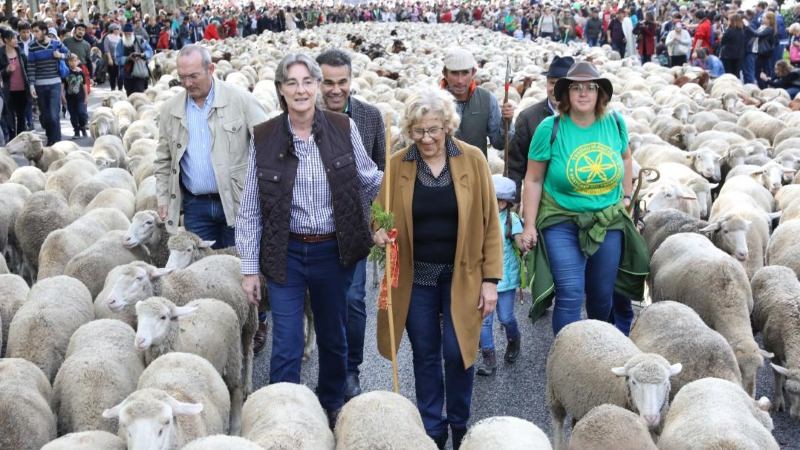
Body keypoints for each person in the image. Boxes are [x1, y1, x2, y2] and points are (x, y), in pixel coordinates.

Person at [235, 53, 382, 427]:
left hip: (333, 250)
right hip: (286, 251)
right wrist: (250, 269)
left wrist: (406, 186)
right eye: (291, 82)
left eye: (307, 82)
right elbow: (251, 207)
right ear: (281, 90)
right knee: (287, 340)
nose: (300, 90)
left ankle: (331, 403)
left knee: (334, 334)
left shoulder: (343, 127)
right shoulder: (265, 137)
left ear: (317, 86)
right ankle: (283, 412)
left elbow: (370, 179)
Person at [371, 85, 501, 450]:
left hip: (464, 274)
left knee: (458, 352)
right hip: (417, 276)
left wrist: (491, 280)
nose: (426, 138)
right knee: (425, 353)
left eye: (434, 130)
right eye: (418, 131)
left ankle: (460, 424)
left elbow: (490, 222)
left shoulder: (473, 160)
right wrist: (379, 231)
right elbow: (379, 216)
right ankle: (433, 428)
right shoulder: (398, 165)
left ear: (448, 126)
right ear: (409, 131)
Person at [518, 61, 648, 336]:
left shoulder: (614, 122)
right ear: (565, 93)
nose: (583, 93)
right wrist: (529, 225)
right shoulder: (549, 128)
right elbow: (533, 179)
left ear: (600, 93)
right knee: (570, 292)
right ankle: (566, 357)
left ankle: (597, 351)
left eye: (591, 87)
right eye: (576, 87)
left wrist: (626, 197)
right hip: (561, 219)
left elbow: (625, 158)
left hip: (607, 220)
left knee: (601, 295)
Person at [315, 48, 386, 401]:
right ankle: (330, 369)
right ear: (317, 82)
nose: (335, 89)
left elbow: (379, 170)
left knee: (354, 300)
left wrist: (377, 220)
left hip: (355, 226)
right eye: (328, 82)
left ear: (351, 81)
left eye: (341, 81)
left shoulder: (370, 118)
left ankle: (350, 370)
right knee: (324, 301)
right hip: (312, 227)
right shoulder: (301, 116)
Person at [154, 44, 267, 252]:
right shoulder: (171, 110)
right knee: (201, 272)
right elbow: (163, 159)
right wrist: (163, 197)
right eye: (182, 77)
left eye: (194, 76)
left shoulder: (240, 100)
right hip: (196, 207)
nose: (187, 83)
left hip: (237, 203)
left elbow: (268, 146)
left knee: (240, 267)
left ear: (211, 69)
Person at [508, 55, 574, 199]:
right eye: (552, 82)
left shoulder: (585, 119)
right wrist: (512, 201)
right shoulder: (528, 118)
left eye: (563, 84)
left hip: (577, 198)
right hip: (539, 199)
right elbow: (514, 165)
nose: (556, 89)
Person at [475, 174, 522, 377]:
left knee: (506, 317)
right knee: (484, 321)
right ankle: (489, 358)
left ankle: (513, 339)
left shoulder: (511, 221)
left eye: (501, 200)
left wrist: (526, 241)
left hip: (506, 279)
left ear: (507, 202)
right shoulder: (477, 220)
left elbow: (520, 243)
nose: (497, 203)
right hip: (483, 279)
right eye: (494, 199)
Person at [441, 48, 514, 157]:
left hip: (476, 171)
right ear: (445, 74)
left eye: (465, 73)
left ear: (473, 73)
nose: (460, 80)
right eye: (454, 73)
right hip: (441, 172)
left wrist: (506, 122)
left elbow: (499, 143)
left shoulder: (487, 100)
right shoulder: (435, 103)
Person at [26, 20, 69, 146]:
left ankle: (55, 142)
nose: (34, 34)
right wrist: (32, 85)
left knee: (53, 115)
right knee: (45, 117)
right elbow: (31, 67)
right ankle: (50, 135)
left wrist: (60, 55)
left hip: (54, 84)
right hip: (40, 85)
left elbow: (69, 54)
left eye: (36, 31)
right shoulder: (32, 46)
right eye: (33, 31)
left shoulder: (56, 44)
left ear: (44, 31)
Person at [0, 28, 30, 140]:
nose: (16, 40)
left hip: (22, 88)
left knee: (21, 115)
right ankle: (12, 138)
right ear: (6, 40)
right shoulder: (1, 53)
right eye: (13, 38)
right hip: (8, 90)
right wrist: (6, 71)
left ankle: (21, 138)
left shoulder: (20, 52)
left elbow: (27, 68)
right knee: (10, 116)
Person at [116, 22, 153, 95]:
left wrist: (142, 55)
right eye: (126, 34)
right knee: (130, 95)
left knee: (139, 94)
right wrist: (128, 58)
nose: (128, 35)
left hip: (140, 73)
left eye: (129, 33)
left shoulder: (140, 40)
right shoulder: (120, 43)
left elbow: (149, 51)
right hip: (127, 75)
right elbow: (118, 58)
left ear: (132, 33)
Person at [62, 53, 87, 138]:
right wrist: (62, 96)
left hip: (80, 97)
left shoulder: (80, 73)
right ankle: (76, 131)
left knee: (81, 113)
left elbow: (84, 85)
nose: (73, 63)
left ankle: (82, 126)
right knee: (73, 116)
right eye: (70, 61)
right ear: (68, 62)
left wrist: (86, 97)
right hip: (70, 98)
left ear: (77, 61)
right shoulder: (66, 73)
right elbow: (62, 86)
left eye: (74, 61)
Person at [748, 11, 776, 89]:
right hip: (759, 52)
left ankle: (763, 88)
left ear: (769, 20)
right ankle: (763, 86)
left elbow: (758, 34)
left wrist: (748, 26)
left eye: (764, 18)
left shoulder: (769, 29)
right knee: (759, 71)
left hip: (764, 53)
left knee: (759, 72)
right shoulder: (762, 27)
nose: (762, 19)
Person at [103, 23, 122, 90]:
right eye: (115, 29)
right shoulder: (108, 37)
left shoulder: (120, 38)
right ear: (112, 30)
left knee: (120, 75)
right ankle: (113, 88)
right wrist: (110, 58)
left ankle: (120, 89)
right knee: (112, 75)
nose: (117, 30)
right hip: (112, 59)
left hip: (119, 59)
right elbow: (106, 49)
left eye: (118, 29)